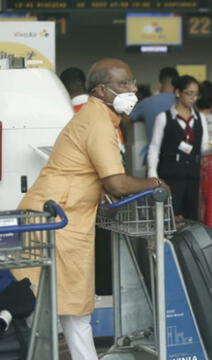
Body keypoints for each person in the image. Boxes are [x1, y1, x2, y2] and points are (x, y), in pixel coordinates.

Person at [12, 58, 168, 360]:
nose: (132, 89)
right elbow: (116, 184)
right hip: (57, 221)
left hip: (59, 217)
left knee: (65, 307)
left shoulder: (100, 119)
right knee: (58, 306)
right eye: (123, 84)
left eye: (133, 82)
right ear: (100, 90)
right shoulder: (98, 123)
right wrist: (153, 183)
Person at [148, 75, 210, 222]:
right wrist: (152, 174)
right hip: (171, 175)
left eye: (196, 94)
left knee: (192, 219)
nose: (193, 98)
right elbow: (154, 147)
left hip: (194, 176)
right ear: (178, 93)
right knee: (169, 218)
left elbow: (204, 148)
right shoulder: (164, 117)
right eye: (189, 93)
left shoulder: (200, 118)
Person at [129, 67, 179, 143]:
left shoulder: (146, 103)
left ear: (160, 84)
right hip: (180, 153)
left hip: (154, 152)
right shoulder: (184, 103)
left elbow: (126, 120)